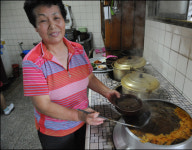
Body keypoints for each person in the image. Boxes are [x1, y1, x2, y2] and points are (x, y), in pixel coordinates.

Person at [22, 0, 120, 149]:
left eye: (56, 18)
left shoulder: (79, 50)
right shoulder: (32, 62)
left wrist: (107, 93)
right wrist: (79, 115)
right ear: (35, 27)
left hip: (84, 122)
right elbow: (43, 106)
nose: (52, 26)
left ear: (63, 20)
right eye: (43, 20)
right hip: (56, 133)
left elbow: (89, 77)